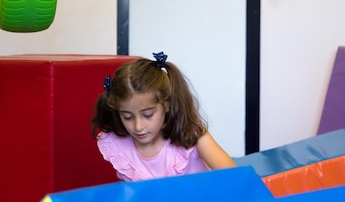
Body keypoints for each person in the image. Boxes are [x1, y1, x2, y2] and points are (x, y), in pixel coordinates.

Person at [91, 52, 236, 182]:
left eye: (148, 115)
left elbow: (236, 178)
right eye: (127, 117)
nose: (138, 126)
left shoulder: (193, 135)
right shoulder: (117, 146)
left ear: (166, 105)